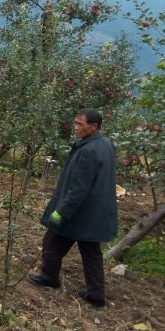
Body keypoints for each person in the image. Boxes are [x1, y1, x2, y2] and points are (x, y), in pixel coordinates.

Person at [28, 108, 118, 309]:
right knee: (90, 251)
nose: (75, 127)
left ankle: (50, 277)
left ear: (94, 127)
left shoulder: (89, 150)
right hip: (95, 211)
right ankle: (96, 295)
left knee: (52, 240)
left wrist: (61, 211)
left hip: (81, 212)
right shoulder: (105, 144)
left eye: (80, 124)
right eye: (75, 123)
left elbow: (79, 188)